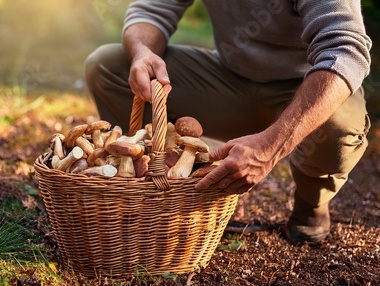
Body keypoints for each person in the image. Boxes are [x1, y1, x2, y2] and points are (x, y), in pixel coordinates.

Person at [84, 0, 372, 243]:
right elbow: (151, 10)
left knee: (337, 125)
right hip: (229, 79)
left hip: (303, 90)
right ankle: (146, 188)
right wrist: (142, 52)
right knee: (109, 67)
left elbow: (345, 50)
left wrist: (269, 146)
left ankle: (313, 200)